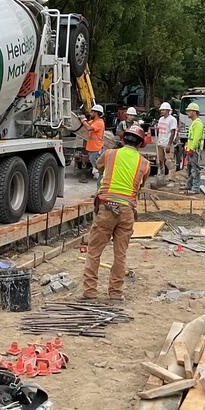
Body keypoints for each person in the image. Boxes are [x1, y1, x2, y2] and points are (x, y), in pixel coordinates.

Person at [82, 125, 151, 301]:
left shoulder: (110, 154)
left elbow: (99, 166)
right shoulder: (144, 164)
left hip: (106, 207)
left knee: (94, 250)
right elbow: (140, 185)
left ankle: (90, 291)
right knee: (120, 254)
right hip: (127, 210)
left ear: (123, 139)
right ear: (140, 144)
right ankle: (115, 293)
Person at [79, 104, 106, 179]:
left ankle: (101, 178)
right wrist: (82, 119)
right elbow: (86, 124)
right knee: (95, 165)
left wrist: (83, 119)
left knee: (98, 167)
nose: (90, 113)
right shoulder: (94, 121)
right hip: (93, 148)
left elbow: (88, 127)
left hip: (96, 148)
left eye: (92, 112)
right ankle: (100, 177)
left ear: (96, 113)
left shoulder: (99, 122)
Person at [184, 102, 204, 194]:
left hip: (194, 150)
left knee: (195, 169)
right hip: (191, 149)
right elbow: (191, 137)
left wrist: (192, 149)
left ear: (194, 112)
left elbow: (196, 138)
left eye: (189, 111)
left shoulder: (198, 124)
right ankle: (189, 185)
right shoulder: (194, 123)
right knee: (189, 168)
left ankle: (195, 188)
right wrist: (187, 147)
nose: (187, 113)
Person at [156, 102, 179, 186]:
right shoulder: (161, 119)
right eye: (161, 110)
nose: (162, 111)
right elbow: (159, 131)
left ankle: (171, 180)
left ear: (168, 110)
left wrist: (169, 144)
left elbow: (173, 132)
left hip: (167, 143)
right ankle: (161, 178)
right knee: (160, 161)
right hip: (160, 143)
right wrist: (158, 141)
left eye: (164, 110)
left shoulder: (172, 119)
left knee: (169, 162)